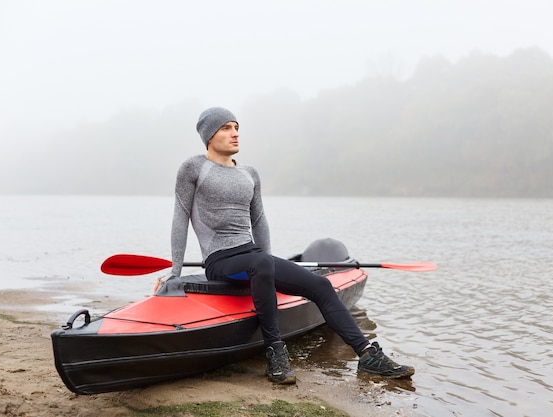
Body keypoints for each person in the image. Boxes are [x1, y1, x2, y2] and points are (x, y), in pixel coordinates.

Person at [169, 107, 415, 384]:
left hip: (252, 257)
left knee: (321, 285)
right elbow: (180, 217)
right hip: (219, 260)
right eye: (226, 128)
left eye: (236, 127)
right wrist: (175, 273)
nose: (235, 133)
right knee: (261, 262)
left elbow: (259, 221)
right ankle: (275, 352)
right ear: (209, 135)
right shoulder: (193, 168)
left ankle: (368, 355)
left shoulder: (249, 173)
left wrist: (267, 265)